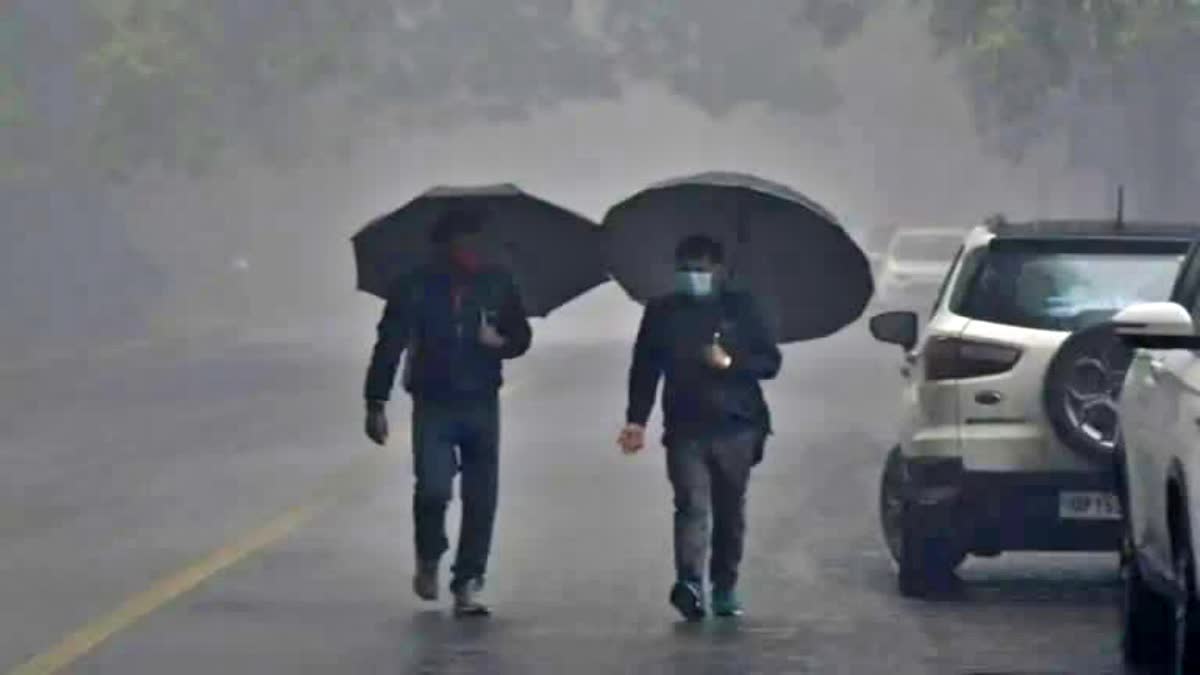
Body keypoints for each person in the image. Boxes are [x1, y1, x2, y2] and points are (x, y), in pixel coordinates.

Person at [364, 209, 532, 617]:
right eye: (459, 242)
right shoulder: (413, 288)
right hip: (433, 403)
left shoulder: (498, 282)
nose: (468, 250)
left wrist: (501, 343)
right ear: (441, 246)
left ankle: (468, 581)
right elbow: (388, 345)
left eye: (473, 241)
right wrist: (376, 402)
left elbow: (521, 336)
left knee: (481, 498)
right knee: (434, 488)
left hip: (482, 402)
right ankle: (429, 553)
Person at [617, 234, 782, 621]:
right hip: (685, 426)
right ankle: (689, 583)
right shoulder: (662, 312)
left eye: (701, 269)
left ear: (719, 270)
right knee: (690, 505)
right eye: (686, 269)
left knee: (729, 510)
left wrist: (730, 362)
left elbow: (770, 363)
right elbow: (645, 367)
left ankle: (724, 585)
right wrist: (635, 420)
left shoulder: (741, 308)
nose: (694, 276)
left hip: (737, 425)